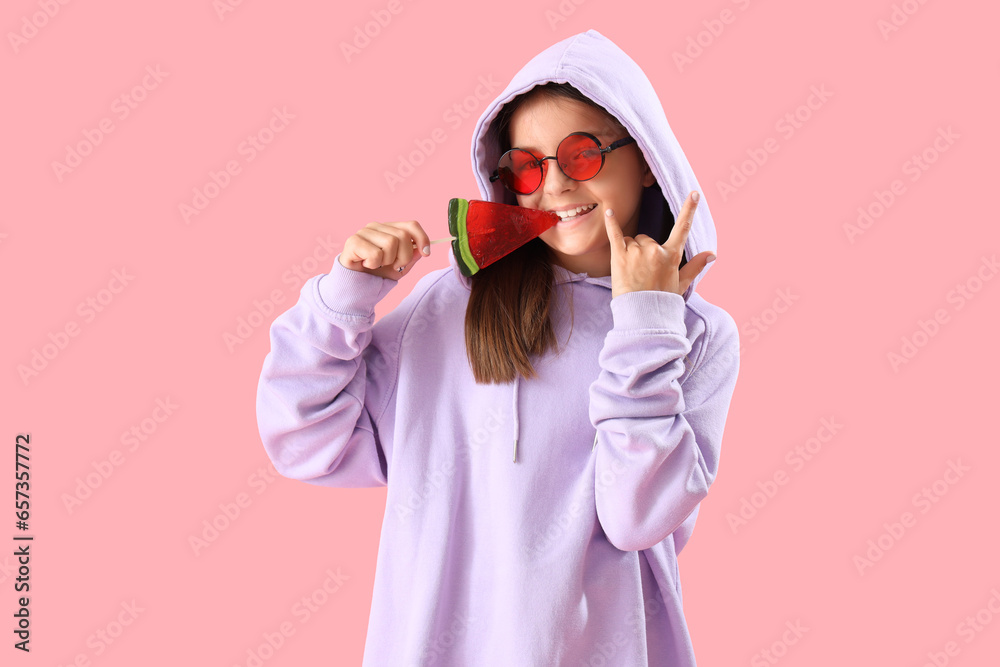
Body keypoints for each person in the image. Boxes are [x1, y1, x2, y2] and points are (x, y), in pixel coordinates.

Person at [256, 28, 739, 666]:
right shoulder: (450, 306)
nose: (556, 184)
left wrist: (646, 324)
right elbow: (304, 439)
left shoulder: (696, 333)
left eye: (583, 155)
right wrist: (343, 297)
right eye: (529, 166)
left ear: (646, 157)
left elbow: (635, 516)